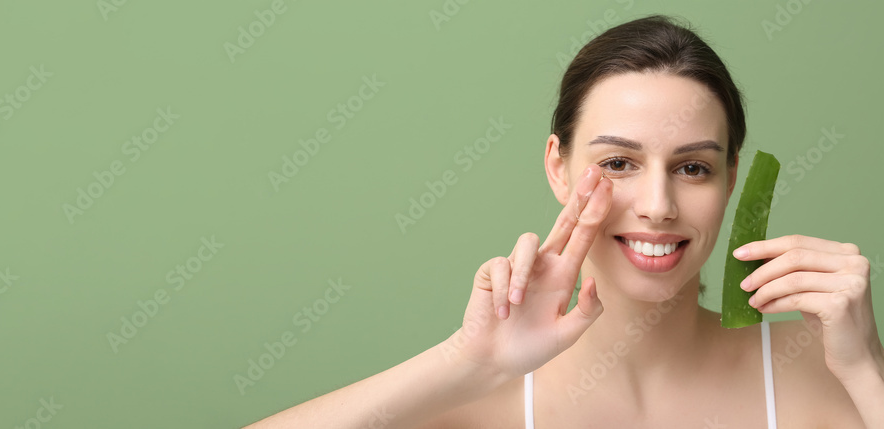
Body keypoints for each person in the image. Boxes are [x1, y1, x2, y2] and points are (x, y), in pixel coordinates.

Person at [244, 14, 884, 428]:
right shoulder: (480, 397)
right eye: (618, 162)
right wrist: (468, 362)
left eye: (693, 168)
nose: (658, 205)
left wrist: (865, 371)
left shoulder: (819, 373)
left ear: (731, 179)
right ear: (558, 166)